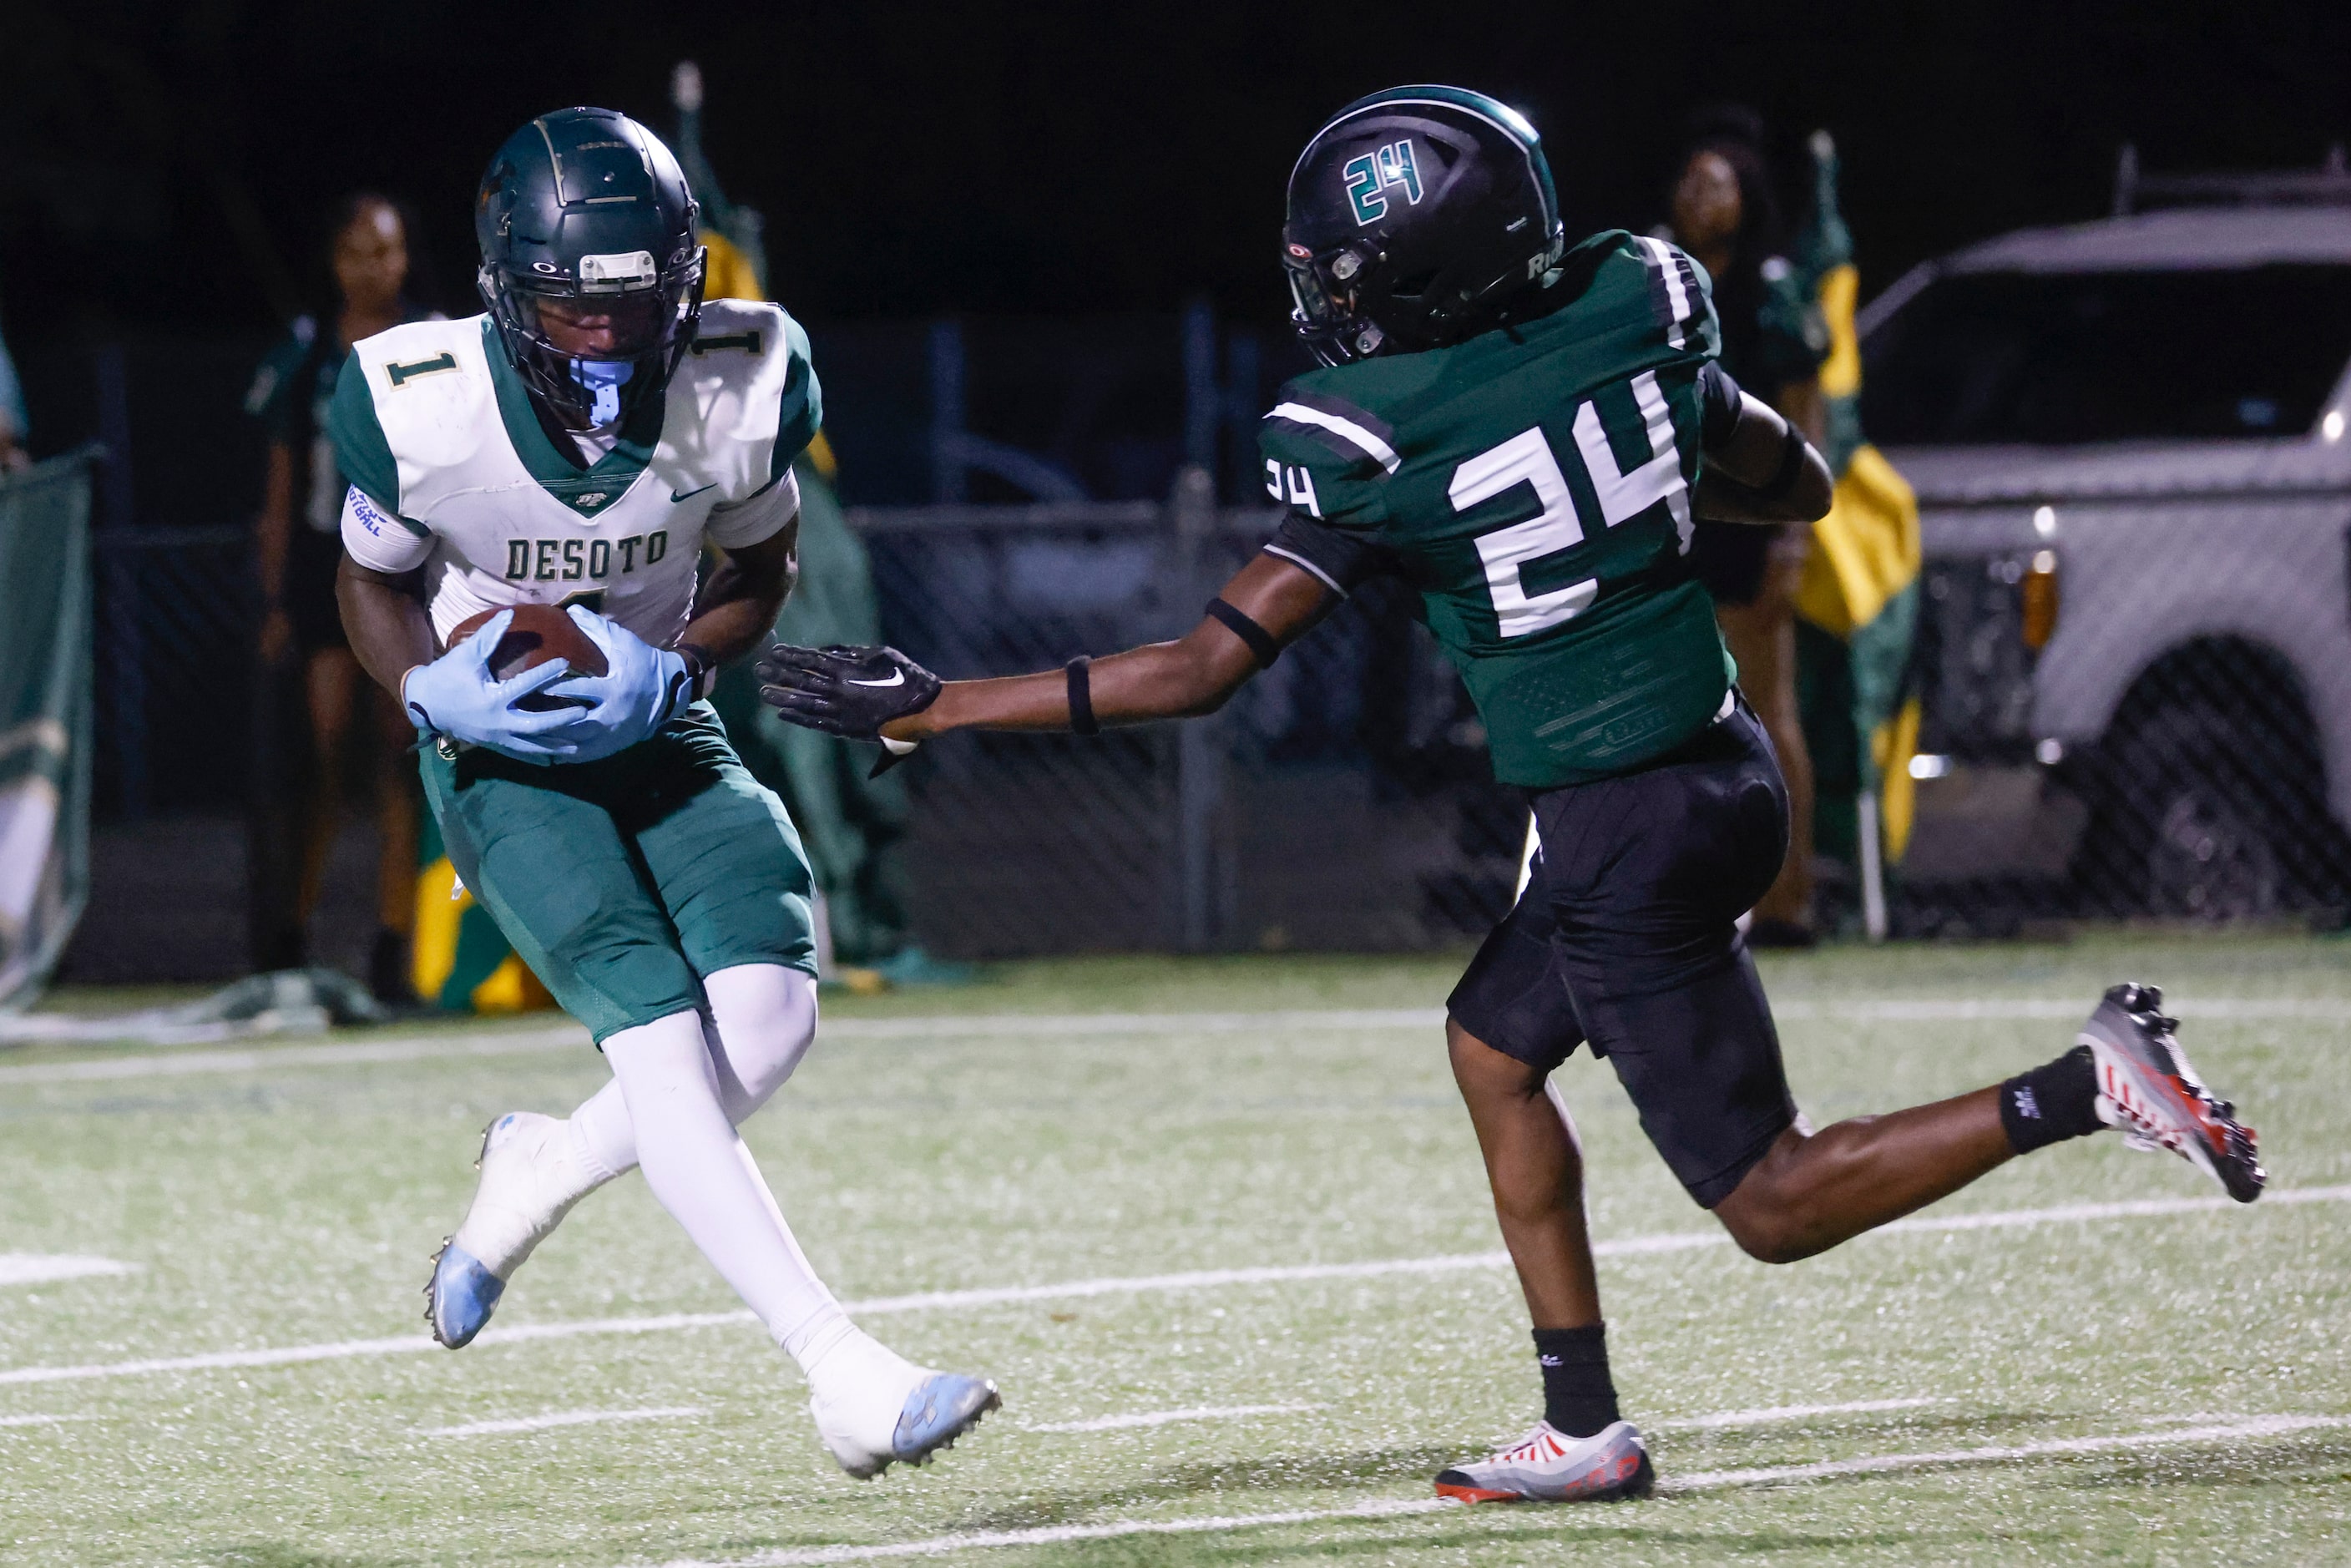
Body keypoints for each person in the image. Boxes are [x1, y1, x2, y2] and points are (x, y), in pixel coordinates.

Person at [753, 86, 2265, 1503]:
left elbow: (1199, 670)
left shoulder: (1378, 437)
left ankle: (2083, 1082)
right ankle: (1582, 1420)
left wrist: (944, 703)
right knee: (1491, 1046)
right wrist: (1633, 485)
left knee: (1773, 1199)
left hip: (1620, 819)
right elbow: (1795, 482)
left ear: (1416, 279)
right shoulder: (1630, 303)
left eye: (1346, 279)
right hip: (1716, 764)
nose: (1329, 305)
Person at [328, 108, 997, 1479]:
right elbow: (370, 576)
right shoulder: (422, 407)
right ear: (510, 292)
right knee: (655, 1038)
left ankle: (540, 1168)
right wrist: (428, 691)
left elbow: (762, 568)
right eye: (575, 311)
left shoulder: (748, 380)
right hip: (505, 745)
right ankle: (842, 1371)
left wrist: (674, 660)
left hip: (657, 720)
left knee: (771, 1014)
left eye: (642, 307)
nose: (611, 343)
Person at [247, 195, 432, 996]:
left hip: (412, 570)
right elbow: (282, 485)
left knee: (403, 750)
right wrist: (276, 599)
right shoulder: (308, 354)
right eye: (355, 251)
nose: (371, 267)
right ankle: (291, 930)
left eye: (384, 251)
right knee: (321, 750)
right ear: (334, 262)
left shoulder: (438, 345)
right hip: (329, 569)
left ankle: (397, 942)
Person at [1658, 112, 1826, 944]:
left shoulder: (1768, 285)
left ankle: (1790, 901)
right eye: (1689, 182)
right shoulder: (1664, 279)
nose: (1698, 196)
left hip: (1752, 524)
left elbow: (1805, 404)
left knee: (1767, 708)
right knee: (1678, 716)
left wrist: (1792, 533)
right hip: (1677, 519)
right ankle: (1701, 895)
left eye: (1713, 182)